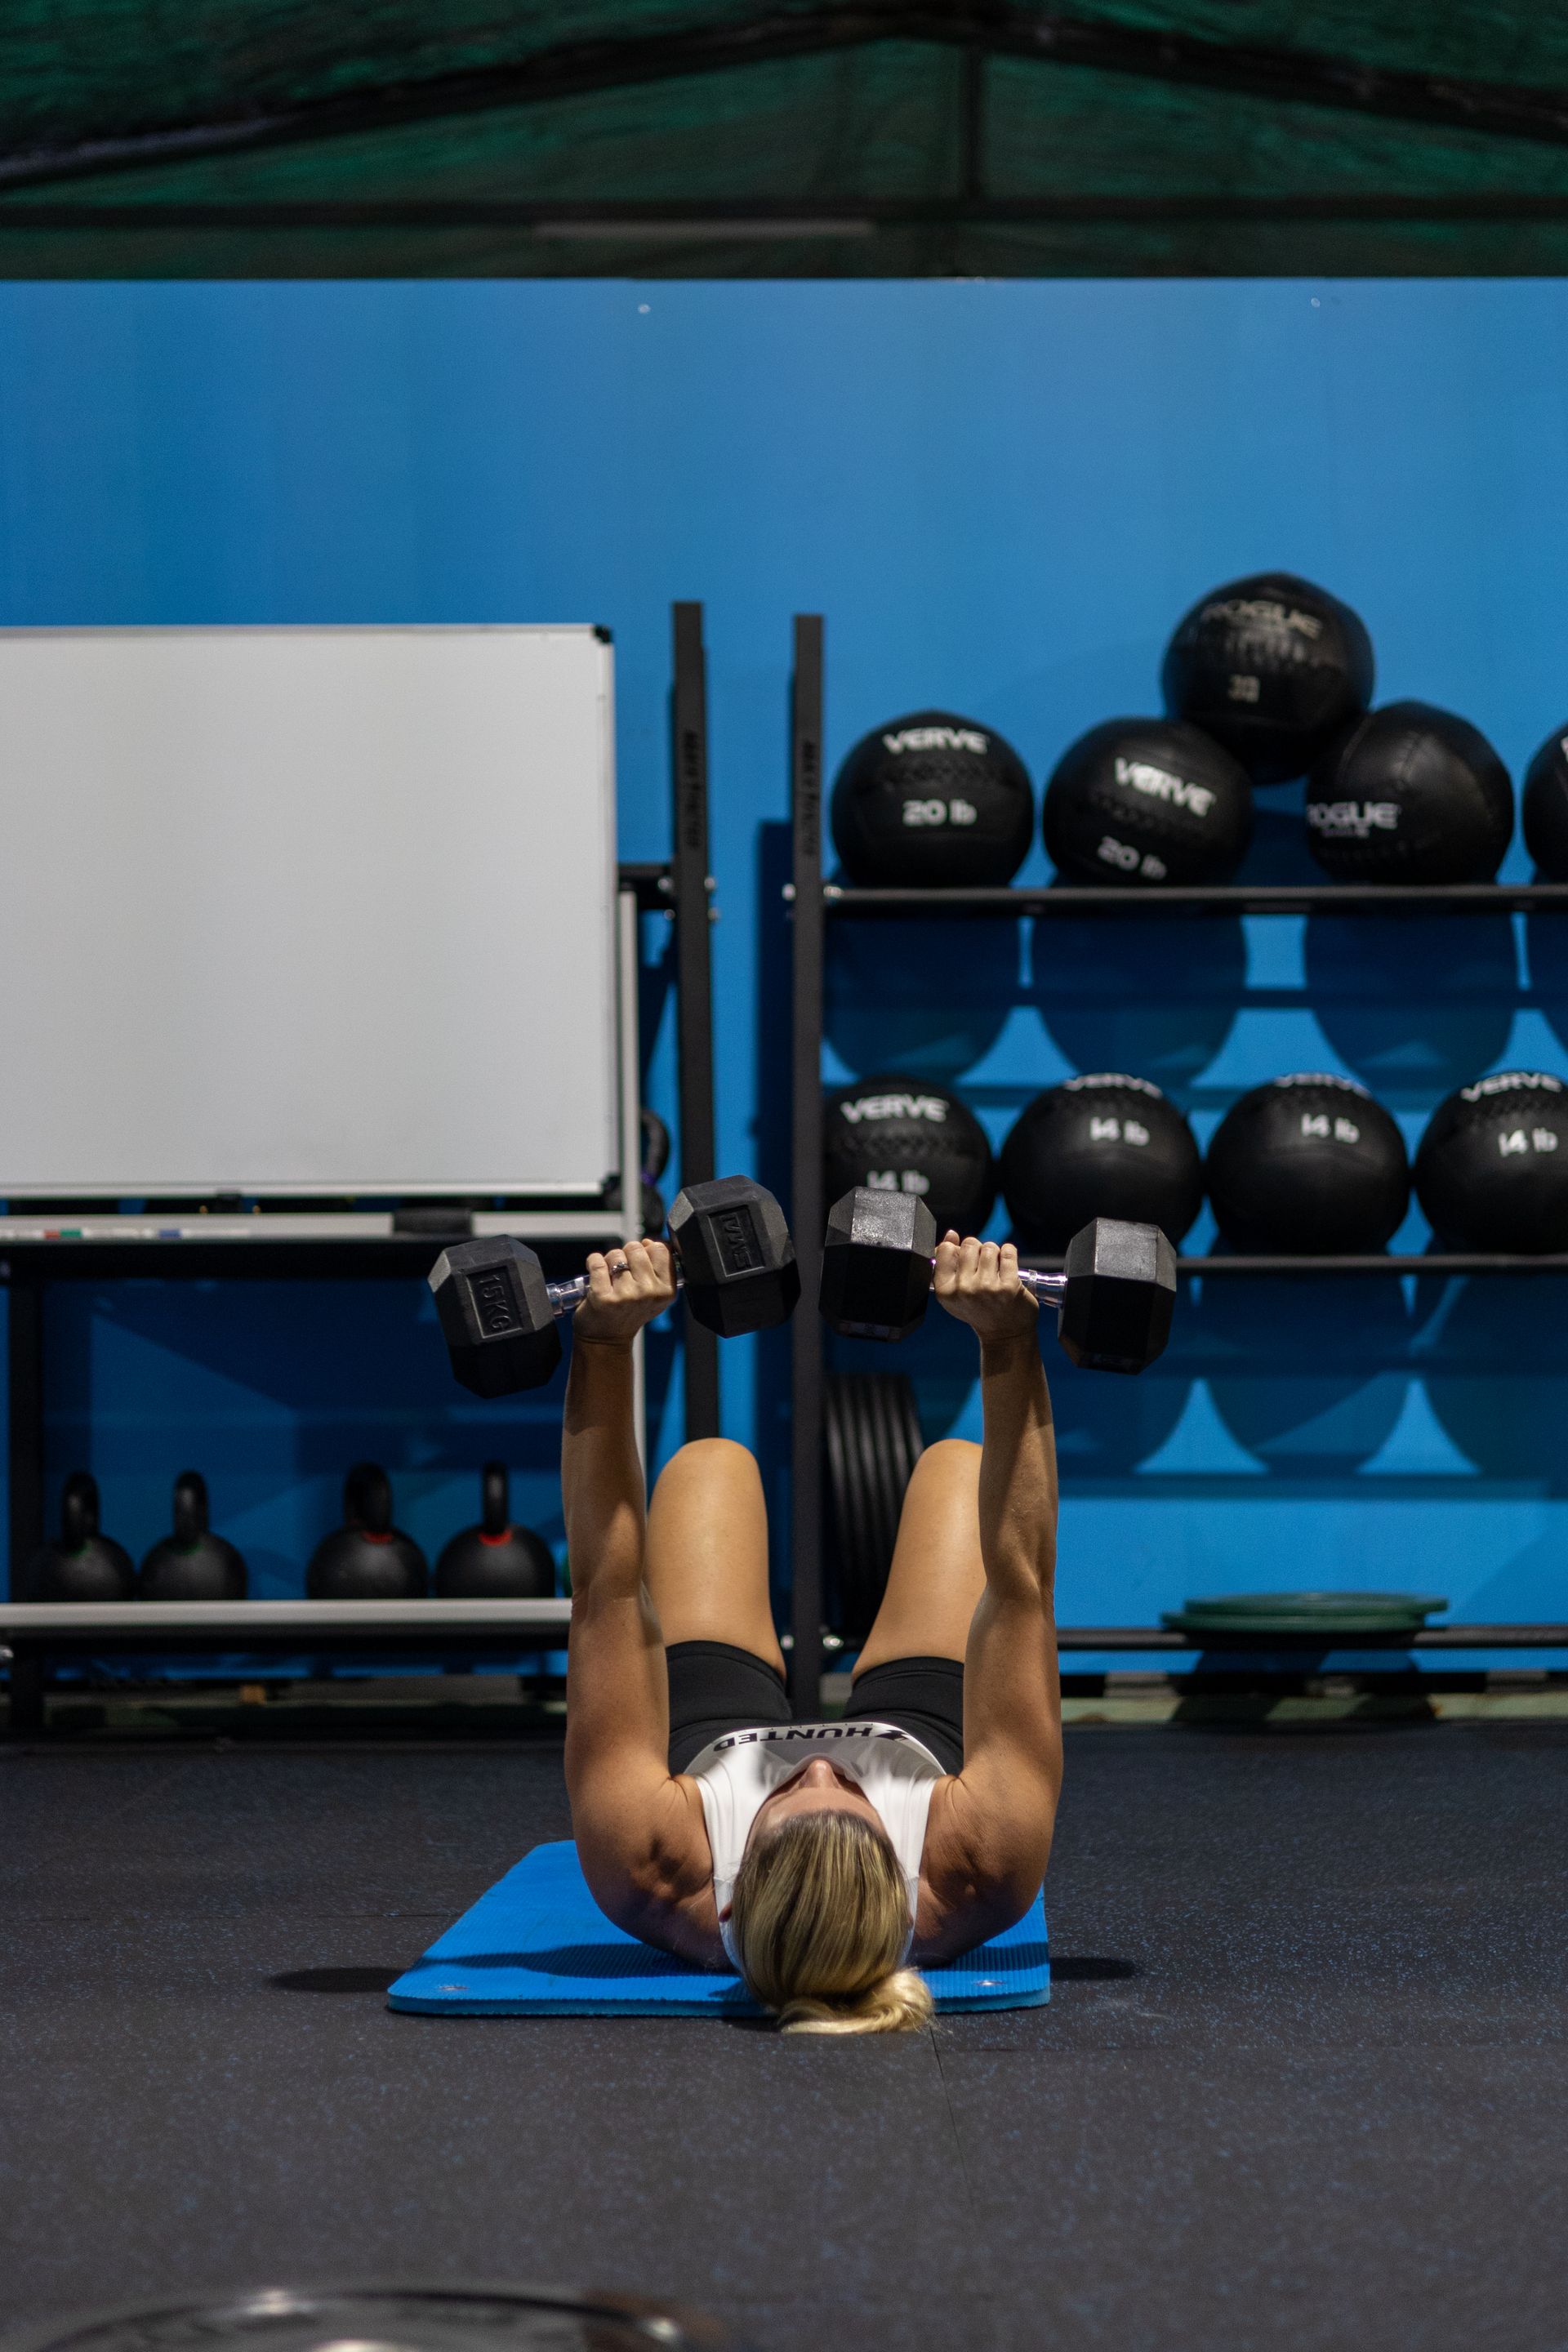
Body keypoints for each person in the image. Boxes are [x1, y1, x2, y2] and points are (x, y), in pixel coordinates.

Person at [563, 1227, 1062, 2036]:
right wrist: (1007, 1338)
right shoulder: (977, 1864)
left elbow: (604, 1592)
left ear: (732, 1881)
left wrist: (603, 1342)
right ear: (902, 1874)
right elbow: (1023, 1584)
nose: (821, 1764)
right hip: (914, 1741)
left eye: (792, 1793)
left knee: (710, 1464)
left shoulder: (653, 1863)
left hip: (713, 1751)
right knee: (959, 1467)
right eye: (852, 1796)